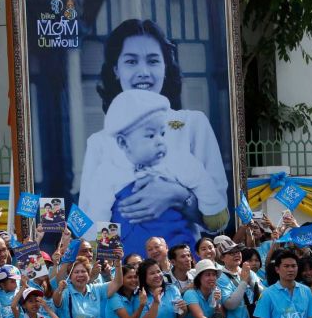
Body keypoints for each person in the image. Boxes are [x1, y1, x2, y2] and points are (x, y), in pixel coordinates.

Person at [79, 18, 230, 255]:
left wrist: (177, 196)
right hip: (128, 267)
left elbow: (219, 220)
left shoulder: (192, 124)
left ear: (165, 67)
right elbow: (91, 216)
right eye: (131, 61)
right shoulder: (100, 142)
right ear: (116, 70)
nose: (143, 72)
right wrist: (112, 269)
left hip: (182, 260)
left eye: (153, 61)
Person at [87, 90, 229, 250]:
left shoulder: (176, 161)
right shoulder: (109, 171)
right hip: (132, 252)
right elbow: (98, 211)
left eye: (162, 133)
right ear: (123, 143)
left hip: (177, 245)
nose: (160, 141)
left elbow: (200, 180)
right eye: (150, 136)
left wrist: (213, 209)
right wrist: (104, 253)